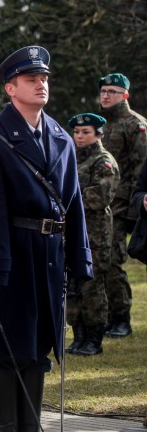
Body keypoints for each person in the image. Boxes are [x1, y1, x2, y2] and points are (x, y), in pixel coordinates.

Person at [0, 45, 91, 432]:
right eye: (31, 79)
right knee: (6, 349)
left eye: (45, 78)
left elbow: (72, 203)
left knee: (39, 347)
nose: (42, 84)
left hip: (50, 255)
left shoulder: (59, 135)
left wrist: (80, 260)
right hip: (13, 253)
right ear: (10, 87)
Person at [65, 113, 117, 357]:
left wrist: (69, 200)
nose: (80, 136)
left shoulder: (104, 161)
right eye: (77, 132)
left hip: (95, 237)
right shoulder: (71, 159)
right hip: (73, 233)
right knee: (74, 286)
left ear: (98, 134)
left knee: (93, 288)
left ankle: (94, 339)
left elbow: (101, 196)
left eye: (85, 132)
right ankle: (79, 336)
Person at [98, 73, 146, 338]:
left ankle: (122, 318)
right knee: (100, 261)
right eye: (103, 90)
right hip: (102, 207)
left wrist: (134, 213)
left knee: (114, 262)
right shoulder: (101, 125)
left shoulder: (135, 125)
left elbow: (142, 172)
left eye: (112, 91)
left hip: (123, 208)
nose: (106, 95)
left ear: (125, 95)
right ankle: (105, 317)